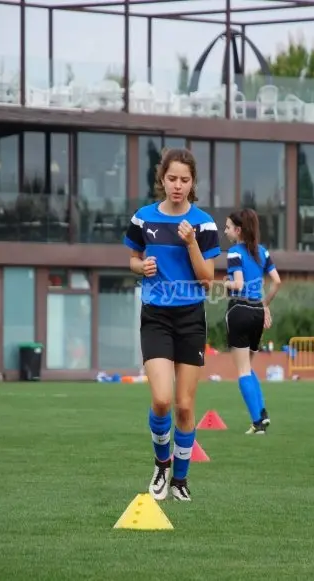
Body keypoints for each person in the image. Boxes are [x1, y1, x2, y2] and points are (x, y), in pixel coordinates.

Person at [123, 147, 221, 502]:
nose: (177, 185)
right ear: (162, 180)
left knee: (183, 405)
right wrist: (141, 267)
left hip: (191, 318)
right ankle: (161, 465)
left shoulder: (204, 223)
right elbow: (133, 258)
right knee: (162, 400)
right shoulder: (143, 218)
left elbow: (208, 279)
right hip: (156, 317)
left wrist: (191, 242)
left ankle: (180, 479)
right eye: (171, 179)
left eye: (184, 179)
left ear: (193, 183)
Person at [223, 208, 281, 435]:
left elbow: (237, 284)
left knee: (242, 370)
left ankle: (257, 423)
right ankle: (262, 415)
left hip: (239, 309)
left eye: (227, 227)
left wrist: (221, 283)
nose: (225, 231)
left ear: (238, 230)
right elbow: (277, 282)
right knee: (249, 365)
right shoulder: (263, 252)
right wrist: (265, 304)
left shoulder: (235, 252)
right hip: (257, 311)